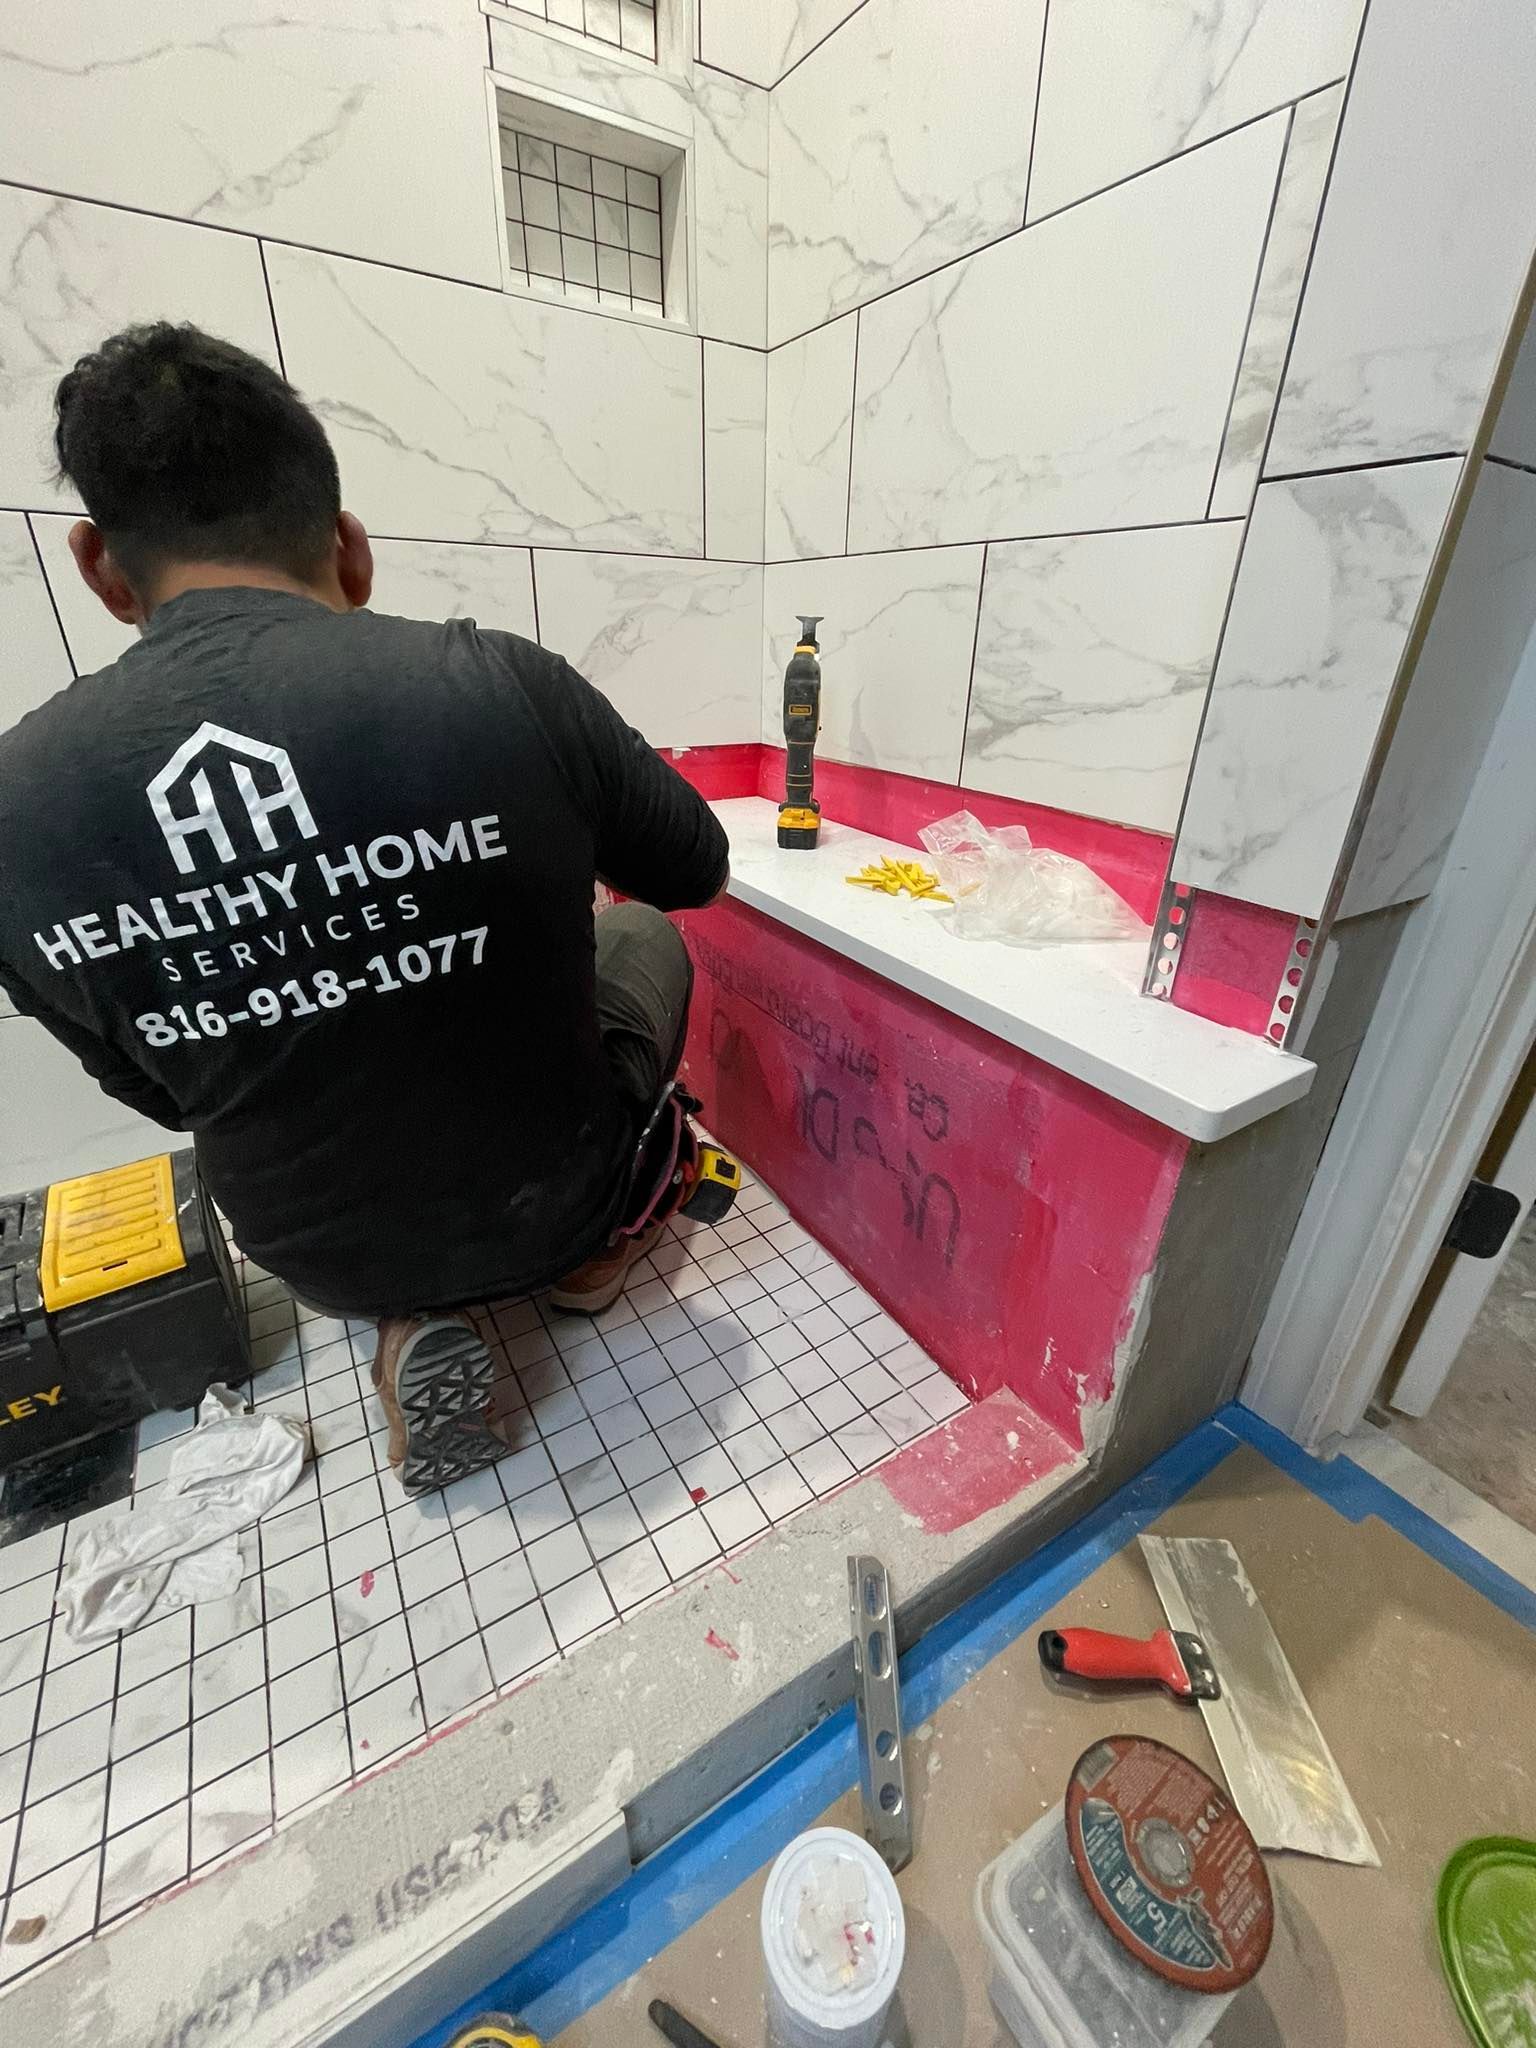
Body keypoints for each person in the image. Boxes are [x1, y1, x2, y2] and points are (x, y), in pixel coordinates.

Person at [0, 323, 730, 1494]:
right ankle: (596, 1256)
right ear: (349, 547)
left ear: (98, 564)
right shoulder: (496, 684)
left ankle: (401, 1322)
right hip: (549, 1189)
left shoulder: (16, 807)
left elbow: (152, 1080)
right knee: (639, 937)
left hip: (304, 1248)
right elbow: (694, 866)